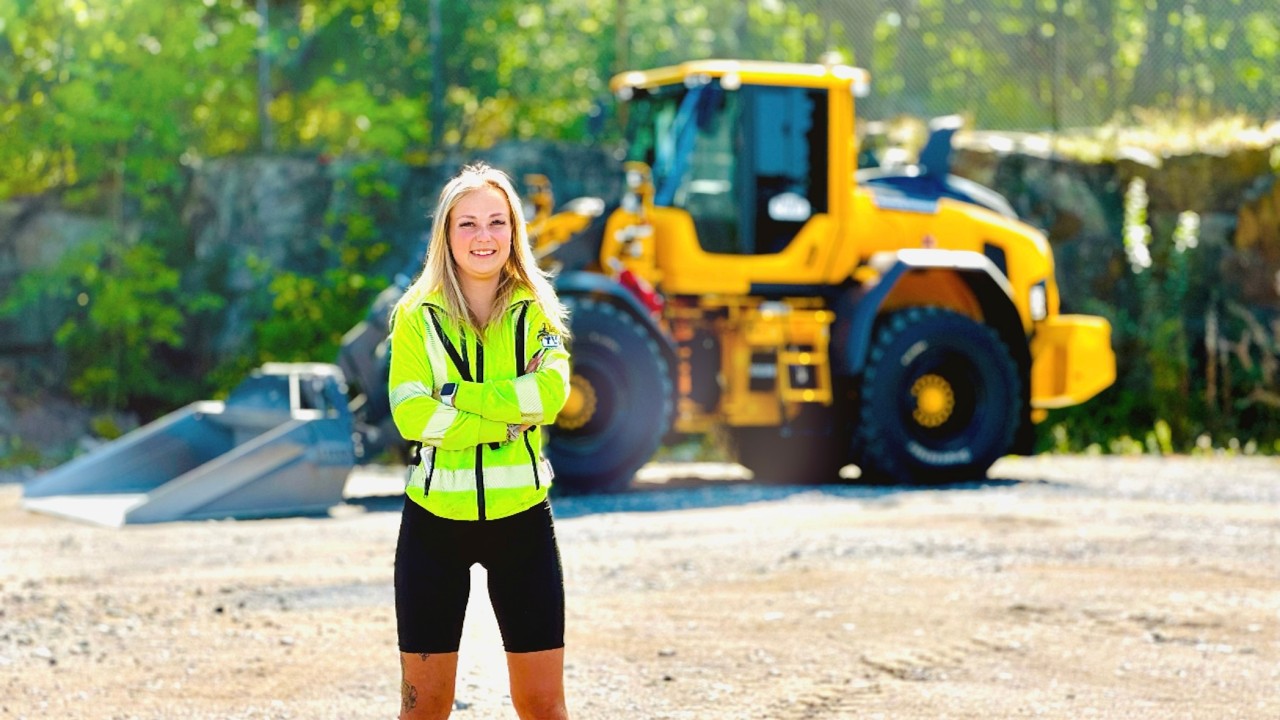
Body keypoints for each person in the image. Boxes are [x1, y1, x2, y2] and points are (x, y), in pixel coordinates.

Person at [387, 162, 572, 720]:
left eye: (496, 221)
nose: (483, 236)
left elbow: (552, 394)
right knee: (425, 710)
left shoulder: (536, 308)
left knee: (544, 706)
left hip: (523, 524)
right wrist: (506, 418)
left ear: (514, 230)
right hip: (433, 527)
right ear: (445, 233)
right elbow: (413, 415)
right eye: (467, 224)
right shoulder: (416, 314)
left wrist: (457, 394)